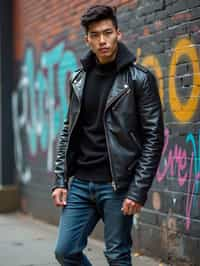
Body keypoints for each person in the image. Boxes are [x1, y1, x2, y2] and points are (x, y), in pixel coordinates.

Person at [51, 5, 164, 266]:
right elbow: (68, 130)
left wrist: (137, 190)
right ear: (87, 39)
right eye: (95, 35)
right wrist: (60, 180)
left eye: (108, 33)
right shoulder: (78, 79)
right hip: (80, 183)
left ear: (118, 34)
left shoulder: (139, 79)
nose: (102, 40)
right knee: (65, 251)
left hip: (117, 185)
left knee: (117, 255)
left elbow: (153, 138)